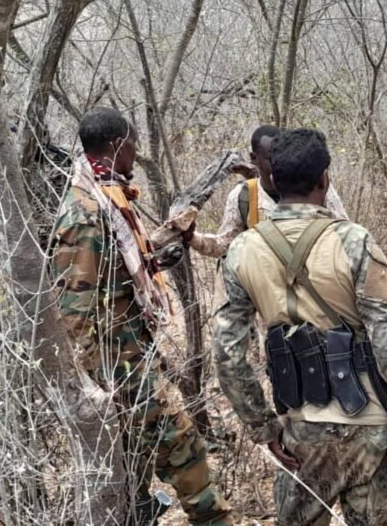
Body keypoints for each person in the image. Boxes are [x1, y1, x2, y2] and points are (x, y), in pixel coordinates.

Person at [213, 128, 387, 525]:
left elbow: (227, 355)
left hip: (301, 432)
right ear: (324, 179)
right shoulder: (355, 242)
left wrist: (263, 427)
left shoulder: (241, 250)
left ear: (271, 180)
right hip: (372, 433)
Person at [51, 107, 232, 526]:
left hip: (130, 348)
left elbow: (114, 267)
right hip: (118, 361)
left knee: (136, 453)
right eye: (133, 143)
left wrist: (161, 246)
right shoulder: (86, 213)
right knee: (181, 439)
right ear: (117, 145)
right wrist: (107, 381)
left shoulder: (105, 198)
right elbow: (75, 310)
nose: (136, 152)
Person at [185, 125, 348, 258]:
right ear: (253, 158)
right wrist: (193, 238)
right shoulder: (245, 196)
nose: (277, 161)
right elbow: (226, 246)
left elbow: (344, 235)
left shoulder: (316, 187)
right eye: (270, 157)